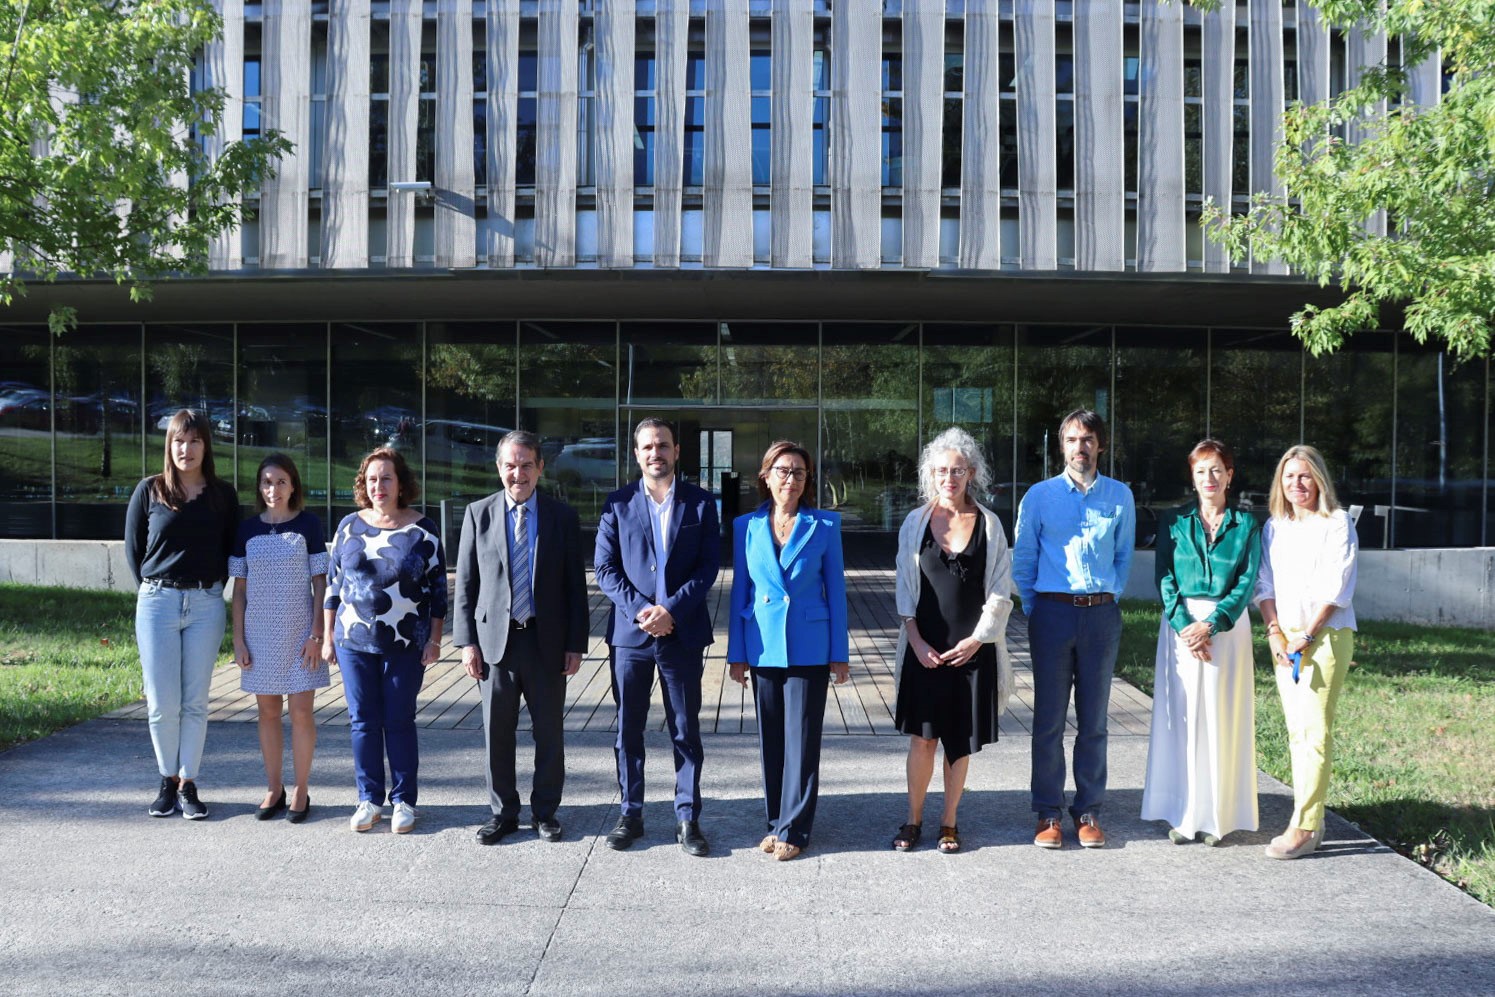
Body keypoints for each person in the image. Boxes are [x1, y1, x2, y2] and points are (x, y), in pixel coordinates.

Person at [453, 431, 587, 846]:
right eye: (510, 465)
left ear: (540, 468)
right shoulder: (479, 514)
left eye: (527, 464)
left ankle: (545, 812)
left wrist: (575, 644)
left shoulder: (561, 517)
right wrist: (466, 644)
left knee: (549, 733)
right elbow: (465, 585)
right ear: (499, 467)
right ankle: (503, 813)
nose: (518, 473)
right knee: (498, 733)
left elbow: (574, 587)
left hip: (546, 642)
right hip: (496, 644)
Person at [594, 418, 720, 856]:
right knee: (629, 728)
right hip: (631, 636)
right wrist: (643, 611)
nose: (655, 453)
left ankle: (687, 818)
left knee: (685, 730)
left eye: (663, 445)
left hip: (681, 634)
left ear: (677, 451)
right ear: (636, 454)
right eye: (647, 447)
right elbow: (605, 570)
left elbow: (708, 568)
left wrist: (672, 611)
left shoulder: (701, 504)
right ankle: (631, 813)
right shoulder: (617, 503)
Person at [1012, 409, 1135, 849]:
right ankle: (1047, 813)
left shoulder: (1120, 496)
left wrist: (1105, 599)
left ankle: (1087, 811)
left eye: (1087, 440)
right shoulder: (1039, 497)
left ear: (1100, 446)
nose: (1079, 448)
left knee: (1094, 721)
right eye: (1071, 440)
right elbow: (1023, 559)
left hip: (1101, 617)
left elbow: (1123, 558)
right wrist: (1036, 607)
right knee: (1048, 720)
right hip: (1052, 614)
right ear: (1060, 446)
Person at [892, 428, 1014, 854]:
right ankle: (913, 820)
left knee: (958, 741)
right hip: (923, 650)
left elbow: (1001, 590)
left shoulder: (990, 524)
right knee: (923, 739)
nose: (950, 478)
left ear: (972, 473)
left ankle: (949, 822)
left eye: (958, 470)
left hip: (971, 654)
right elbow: (905, 592)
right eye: (942, 470)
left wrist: (978, 641)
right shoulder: (915, 523)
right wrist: (916, 640)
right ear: (931, 474)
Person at [727, 441, 850, 861]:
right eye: (782, 470)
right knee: (772, 740)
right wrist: (736, 653)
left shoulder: (826, 526)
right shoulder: (746, 526)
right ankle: (775, 821)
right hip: (762, 643)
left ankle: (795, 830)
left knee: (802, 741)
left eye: (799, 472)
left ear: (807, 479)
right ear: (765, 476)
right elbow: (739, 590)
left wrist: (840, 652)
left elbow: (836, 592)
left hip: (810, 645)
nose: (790, 479)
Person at [1141, 439, 1261, 846]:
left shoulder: (1246, 525)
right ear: (1191, 478)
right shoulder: (1173, 521)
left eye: (1216, 470)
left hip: (1226, 630)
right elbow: (1164, 577)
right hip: (1181, 629)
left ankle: (1219, 816)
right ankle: (1183, 812)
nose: (1209, 478)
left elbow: (1247, 581)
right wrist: (1185, 625)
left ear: (1230, 474)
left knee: (1221, 718)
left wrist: (1213, 624)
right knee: (1183, 719)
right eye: (1200, 471)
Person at [322, 447, 446, 835]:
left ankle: (404, 801)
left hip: (406, 642)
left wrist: (435, 640)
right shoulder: (347, 526)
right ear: (364, 484)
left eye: (386, 478)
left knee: (399, 720)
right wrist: (327, 637)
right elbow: (332, 586)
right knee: (362, 721)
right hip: (352, 641)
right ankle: (369, 798)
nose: (379, 486)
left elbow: (438, 591)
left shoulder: (423, 530)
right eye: (372, 479)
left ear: (400, 483)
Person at [125, 409, 239, 820]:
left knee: (194, 702)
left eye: (193, 441)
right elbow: (134, 552)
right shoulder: (149, 490)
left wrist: (209, 589)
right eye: (177, 440)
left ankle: (188, 782)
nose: (184, 449)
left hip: (206, 605)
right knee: (161, 703)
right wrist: (157, 589)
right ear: (168, 445)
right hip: (157, 603)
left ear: (205, 446)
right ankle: (166, 779)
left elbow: (230, 552)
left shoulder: (222, 496)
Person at [1254, 444, 1358, 860]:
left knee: (1314, 732)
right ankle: (1309, 814)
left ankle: (1306, 826)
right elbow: (1265, 584)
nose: (1297, 484)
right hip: (1285, 640)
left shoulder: (1336, 523)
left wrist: (1307, 636)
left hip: (1325, 638)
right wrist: (1276, 633)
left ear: (1319, 479)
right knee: (1296, 732)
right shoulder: (1274, 527)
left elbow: (1336, 586)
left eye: (1305, 475)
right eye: (1289, 476)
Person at [229, 453, 329, 824]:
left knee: (301, 713)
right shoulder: (247, 529)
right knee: (268, 713)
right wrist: (238, 640)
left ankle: (301, 790)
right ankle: (274, 787)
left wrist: (317, 634)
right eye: (267, 482)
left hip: (301, 634)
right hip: (259, 635)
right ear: (260, 486)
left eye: (281, 481)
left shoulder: (308, 525)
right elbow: (239, 590)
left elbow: (321, 584)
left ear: (293, 486)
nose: (274, 489)